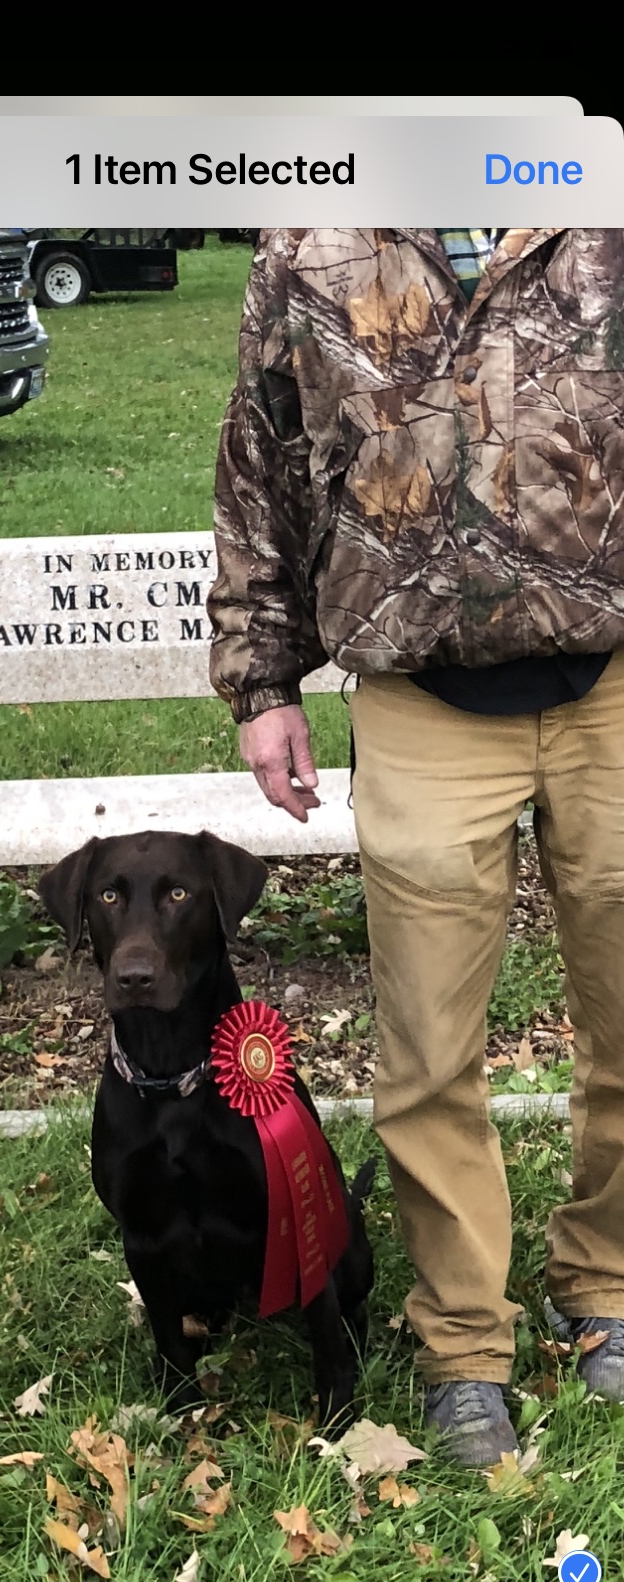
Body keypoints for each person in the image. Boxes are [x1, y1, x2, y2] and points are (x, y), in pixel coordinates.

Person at [207, 227, 624, 1467]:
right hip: (418, 696)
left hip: (614, 693)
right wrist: (262, 679)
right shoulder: (316, 242)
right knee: (431, 1053)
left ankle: (604, 1286)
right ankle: (462, 1346)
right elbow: (259, 467)